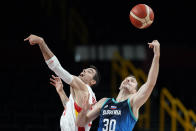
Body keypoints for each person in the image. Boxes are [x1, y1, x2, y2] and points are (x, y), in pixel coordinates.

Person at [76, 40, 160, 131]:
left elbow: (150, 84)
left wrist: (156, 56)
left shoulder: (133, 102)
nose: (127, 80)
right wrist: (83, 111)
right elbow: (81, 123)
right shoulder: (104, 101)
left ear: (135, 91)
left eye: (132, 81)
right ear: (120, 86)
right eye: (126, 79)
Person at [24, 34, 99, 131]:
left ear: (93, 81)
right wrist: (61, 92)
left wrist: (41, 42)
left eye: (89, 71)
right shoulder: (89, 95)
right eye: (85, 69)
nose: (84, 70)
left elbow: (56, 67)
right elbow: (70, 107)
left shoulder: (83, 87)